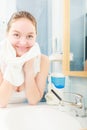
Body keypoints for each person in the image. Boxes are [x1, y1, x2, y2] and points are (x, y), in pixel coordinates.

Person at [0, 11, 49, 107]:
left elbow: (33, 100)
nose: (23, 42)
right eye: (16, 35)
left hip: (26, 115)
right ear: (7, 34)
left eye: (29, 36)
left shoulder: (43, 61)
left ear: (35, 37)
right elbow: (1, 102)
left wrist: (29, 71)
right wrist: (14, 65)